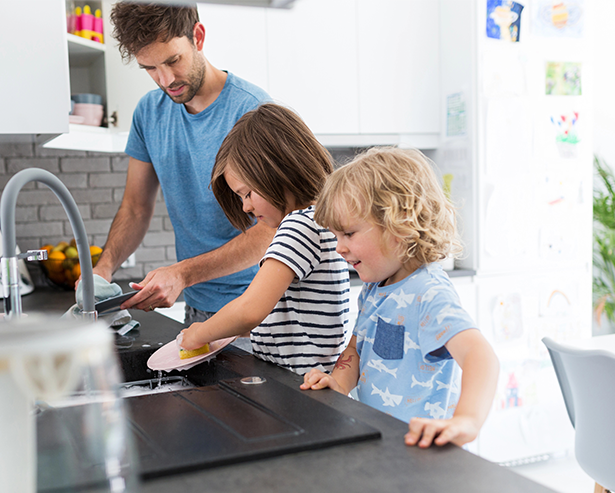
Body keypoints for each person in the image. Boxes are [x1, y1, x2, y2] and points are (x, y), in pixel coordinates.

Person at [300, 147, 500, 449]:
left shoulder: (428, 293)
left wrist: (466, 421)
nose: (339, 247)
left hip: (423, 453)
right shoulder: (375, 287)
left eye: (349, 234)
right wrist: (338, 383)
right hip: (384, 442)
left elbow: (480, 356)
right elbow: (358, 346)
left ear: (400, 225)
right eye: (336, 236)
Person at [90, 2, 273, 326]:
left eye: (173, 60)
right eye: (149, 68)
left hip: (262, 306)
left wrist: (182, 274)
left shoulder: (253, 111)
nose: (165, 79)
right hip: (198, 307)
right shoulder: (149, 112)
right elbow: (135, 208)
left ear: (198, 37)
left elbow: (271, 229)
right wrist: (102, 271)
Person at [178, 104, 350, 374]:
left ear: (277, 171)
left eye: (247, 193)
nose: (246, 207)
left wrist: (200, 333)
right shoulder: (322, 219)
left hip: (298, 385)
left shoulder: (298, 226)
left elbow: (250, 309)